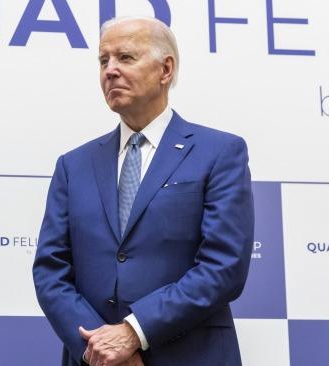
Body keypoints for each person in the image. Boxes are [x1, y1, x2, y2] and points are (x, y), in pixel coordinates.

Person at [33, 16, 253, 366]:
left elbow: (223, 266)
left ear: (166, 70)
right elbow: (50, 271)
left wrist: (135, 332)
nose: (110, 70)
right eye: (103, 61)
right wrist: (101, 349)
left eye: (125, 58)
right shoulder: (73, 165)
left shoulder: (220, 153)